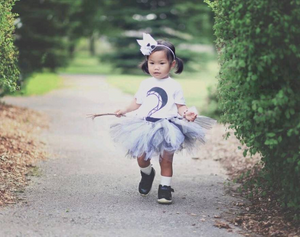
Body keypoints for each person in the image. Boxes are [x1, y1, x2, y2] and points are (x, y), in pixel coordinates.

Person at [110, 33, 215, 204]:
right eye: (152, 63)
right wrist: (124, 109)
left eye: (161, 63)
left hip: (168, 127)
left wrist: (186, 113)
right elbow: (136, 102)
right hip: (145, 126)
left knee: (166, 159)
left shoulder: (174, 86)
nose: (156, 67)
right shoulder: (146, 84)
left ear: (172, 65)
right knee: (141, 158)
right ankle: (147, 174)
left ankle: (165, 189)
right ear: (147, 63)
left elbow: (180, 106)